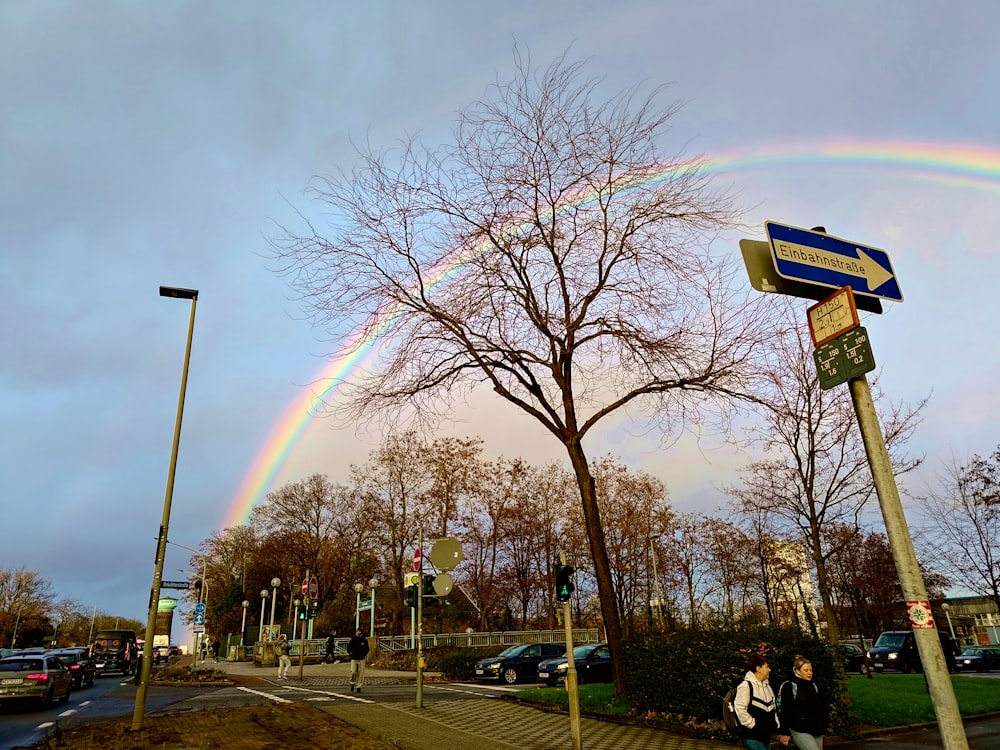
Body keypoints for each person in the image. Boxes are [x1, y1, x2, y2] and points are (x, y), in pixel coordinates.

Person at [734, 654, 790, 750]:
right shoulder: (746, 686)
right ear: (758, 668)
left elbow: (773, 708)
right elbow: (740, 709)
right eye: (767, 667)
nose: (769, 670)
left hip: (765, 737)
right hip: (752, 737)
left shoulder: (768, 687)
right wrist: (753, 725)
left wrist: (776, 724)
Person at [777, 655, 828, 750]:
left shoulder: (814, 685)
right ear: (797, 671)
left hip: (817, 728)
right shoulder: (789, 686)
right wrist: (784, 731)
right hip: (799, 728)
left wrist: (824, 722)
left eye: (810, 670)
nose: (809, 673)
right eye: (806, 670)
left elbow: (821, 707)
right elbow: (783, 709)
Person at [347, 628, 370, 693]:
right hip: (354, 658)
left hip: (362, 658)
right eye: (357, 631)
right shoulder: (353, 640)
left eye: (359, 631)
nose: (358, 633)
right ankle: (352, 682)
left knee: (361, 673)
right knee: (353, 671)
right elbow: (349, 648)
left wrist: (364, 654)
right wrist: (350, 653)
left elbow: (367, 648)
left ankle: (358, 686)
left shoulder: (364, 640)